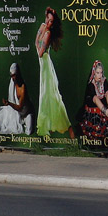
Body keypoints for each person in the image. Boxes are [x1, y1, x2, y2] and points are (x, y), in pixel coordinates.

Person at [34, 7, 73, 137]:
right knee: (46, 96)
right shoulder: (42, 26)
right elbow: (36, 43)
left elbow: (40, 52)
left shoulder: (48, 33)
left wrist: (40, 41)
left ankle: (67, 128)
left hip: (46, 66)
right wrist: (39, 42)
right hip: (42, 66)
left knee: (51, 95)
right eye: (47, 19)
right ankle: (49, 127)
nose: (48, 22)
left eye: (51, 21)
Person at [0, 63, 33, 135]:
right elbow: (12, 102)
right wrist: (8, 104)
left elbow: (20, 108)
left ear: (18, 74)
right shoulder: (12, 83)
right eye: (12, 76)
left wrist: (9, 103)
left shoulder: (22, 88)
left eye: (14, 75)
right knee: (4, 113)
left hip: (25, 113)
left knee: (29, 132)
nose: (13, 78)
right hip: (15, 111)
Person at [77, 59, 108, 141]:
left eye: (101, 73)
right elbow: (96, 99)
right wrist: (105, 111)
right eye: (97, 73)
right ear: (94, 72)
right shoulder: (91, 84)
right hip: (93, 109)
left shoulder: (104, 80)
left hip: (103, 107)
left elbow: (107, 93)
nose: (100, 75)